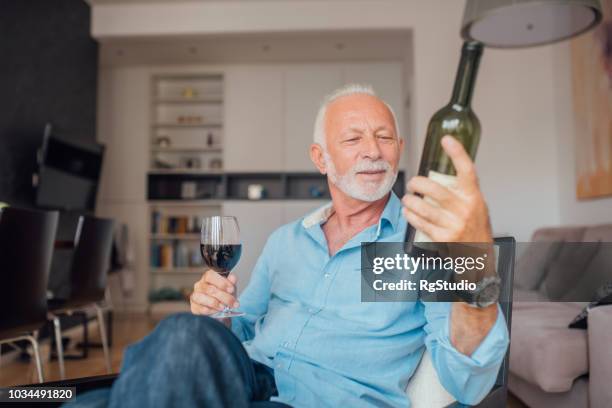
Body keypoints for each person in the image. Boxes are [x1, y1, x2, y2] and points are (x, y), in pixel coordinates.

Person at [69, 84, 508, 408]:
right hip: (247, 379)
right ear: (321, 158)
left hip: (324, 399)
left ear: (401, 149)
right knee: (182, 332)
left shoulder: (425, 244)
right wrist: (215, 311)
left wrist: (477, 252)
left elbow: (468, 379)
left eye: (384, 137)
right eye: (353, 139)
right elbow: (237, 329)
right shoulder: (287, 241)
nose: (373, 151)